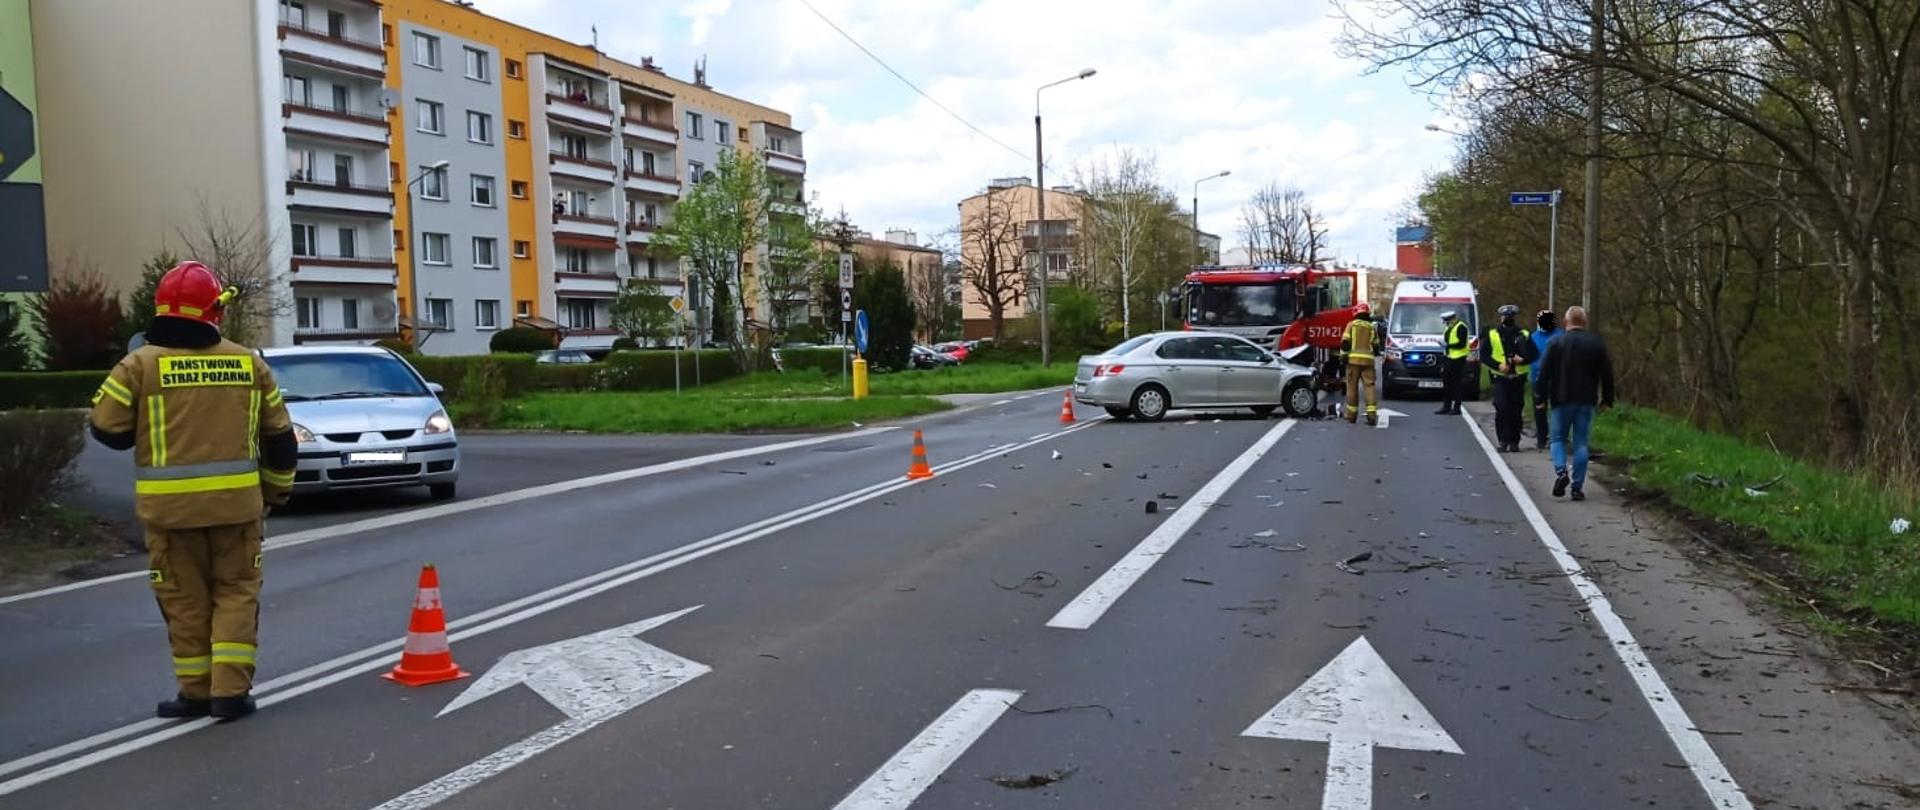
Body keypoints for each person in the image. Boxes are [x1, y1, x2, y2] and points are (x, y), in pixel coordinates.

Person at [88, 262, 298, 721]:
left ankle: (196, 692)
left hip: (170, 515)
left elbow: (107, 429)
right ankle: (230, 694)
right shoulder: (248, 362)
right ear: (214, 311)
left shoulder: (138, 365)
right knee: (236, 595)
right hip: (237, 512)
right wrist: (276, 493)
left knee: (183, 602)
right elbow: (281, 438)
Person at [1534, 305, 1614, 502]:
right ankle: (1577, 487)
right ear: (1584, 322)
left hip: (1561, 399)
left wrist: (1540, 398)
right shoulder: (1596, 344)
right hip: (1586, 400)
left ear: (1565, 322)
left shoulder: (1556, 342)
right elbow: (1607, 374)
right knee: (1581, 443)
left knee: (1557, 438)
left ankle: (1561, 471)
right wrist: (1607, 399)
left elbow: (1543, 373)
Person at [1480, 304, 1537, 452]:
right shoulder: (1493, 334)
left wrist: (1522, 360)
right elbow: (1484, 355)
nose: (1507, 319)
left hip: (1518, 378)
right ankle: (1502, 441)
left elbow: (1534, 354)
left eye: (1510, 317)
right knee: (1502, 409)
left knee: (1516, 410)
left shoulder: (1524, 334)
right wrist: (1498, 365)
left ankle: (1514, 441)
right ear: (1501, 318)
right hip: (1500, 378)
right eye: (1505, 317)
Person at [1340, 302, 1383, 426]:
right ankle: (1372, 416)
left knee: (1352, 388)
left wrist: (1343, 357)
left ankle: (1351, 416)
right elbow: (1376, 346)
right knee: (1370, 387)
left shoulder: (1351, 325)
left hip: (1353, 362)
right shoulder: (1371, 327)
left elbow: (1345, 343)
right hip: (1368, 362)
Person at [1529, 309, 1561, 449]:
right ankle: (1542, 437)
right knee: (1540, 410)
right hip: (1539, 378)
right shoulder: (1533, 337)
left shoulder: (1560, 336)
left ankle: (1555, 437)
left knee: (1556, 408)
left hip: (1556, 379)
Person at [1435, 310, 1471, 415]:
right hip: (1449, 357)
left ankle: (1457, 408)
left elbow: (1461, 344)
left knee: (1456, 384)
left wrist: (1448, 345)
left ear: (1453, 319)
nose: (1446, 324)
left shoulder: (1461, 327)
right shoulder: (1449, 327)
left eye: (1447, 321)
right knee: (1447, 383)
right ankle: (1446, 406)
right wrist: (1443, 344)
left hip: (1458, 359)